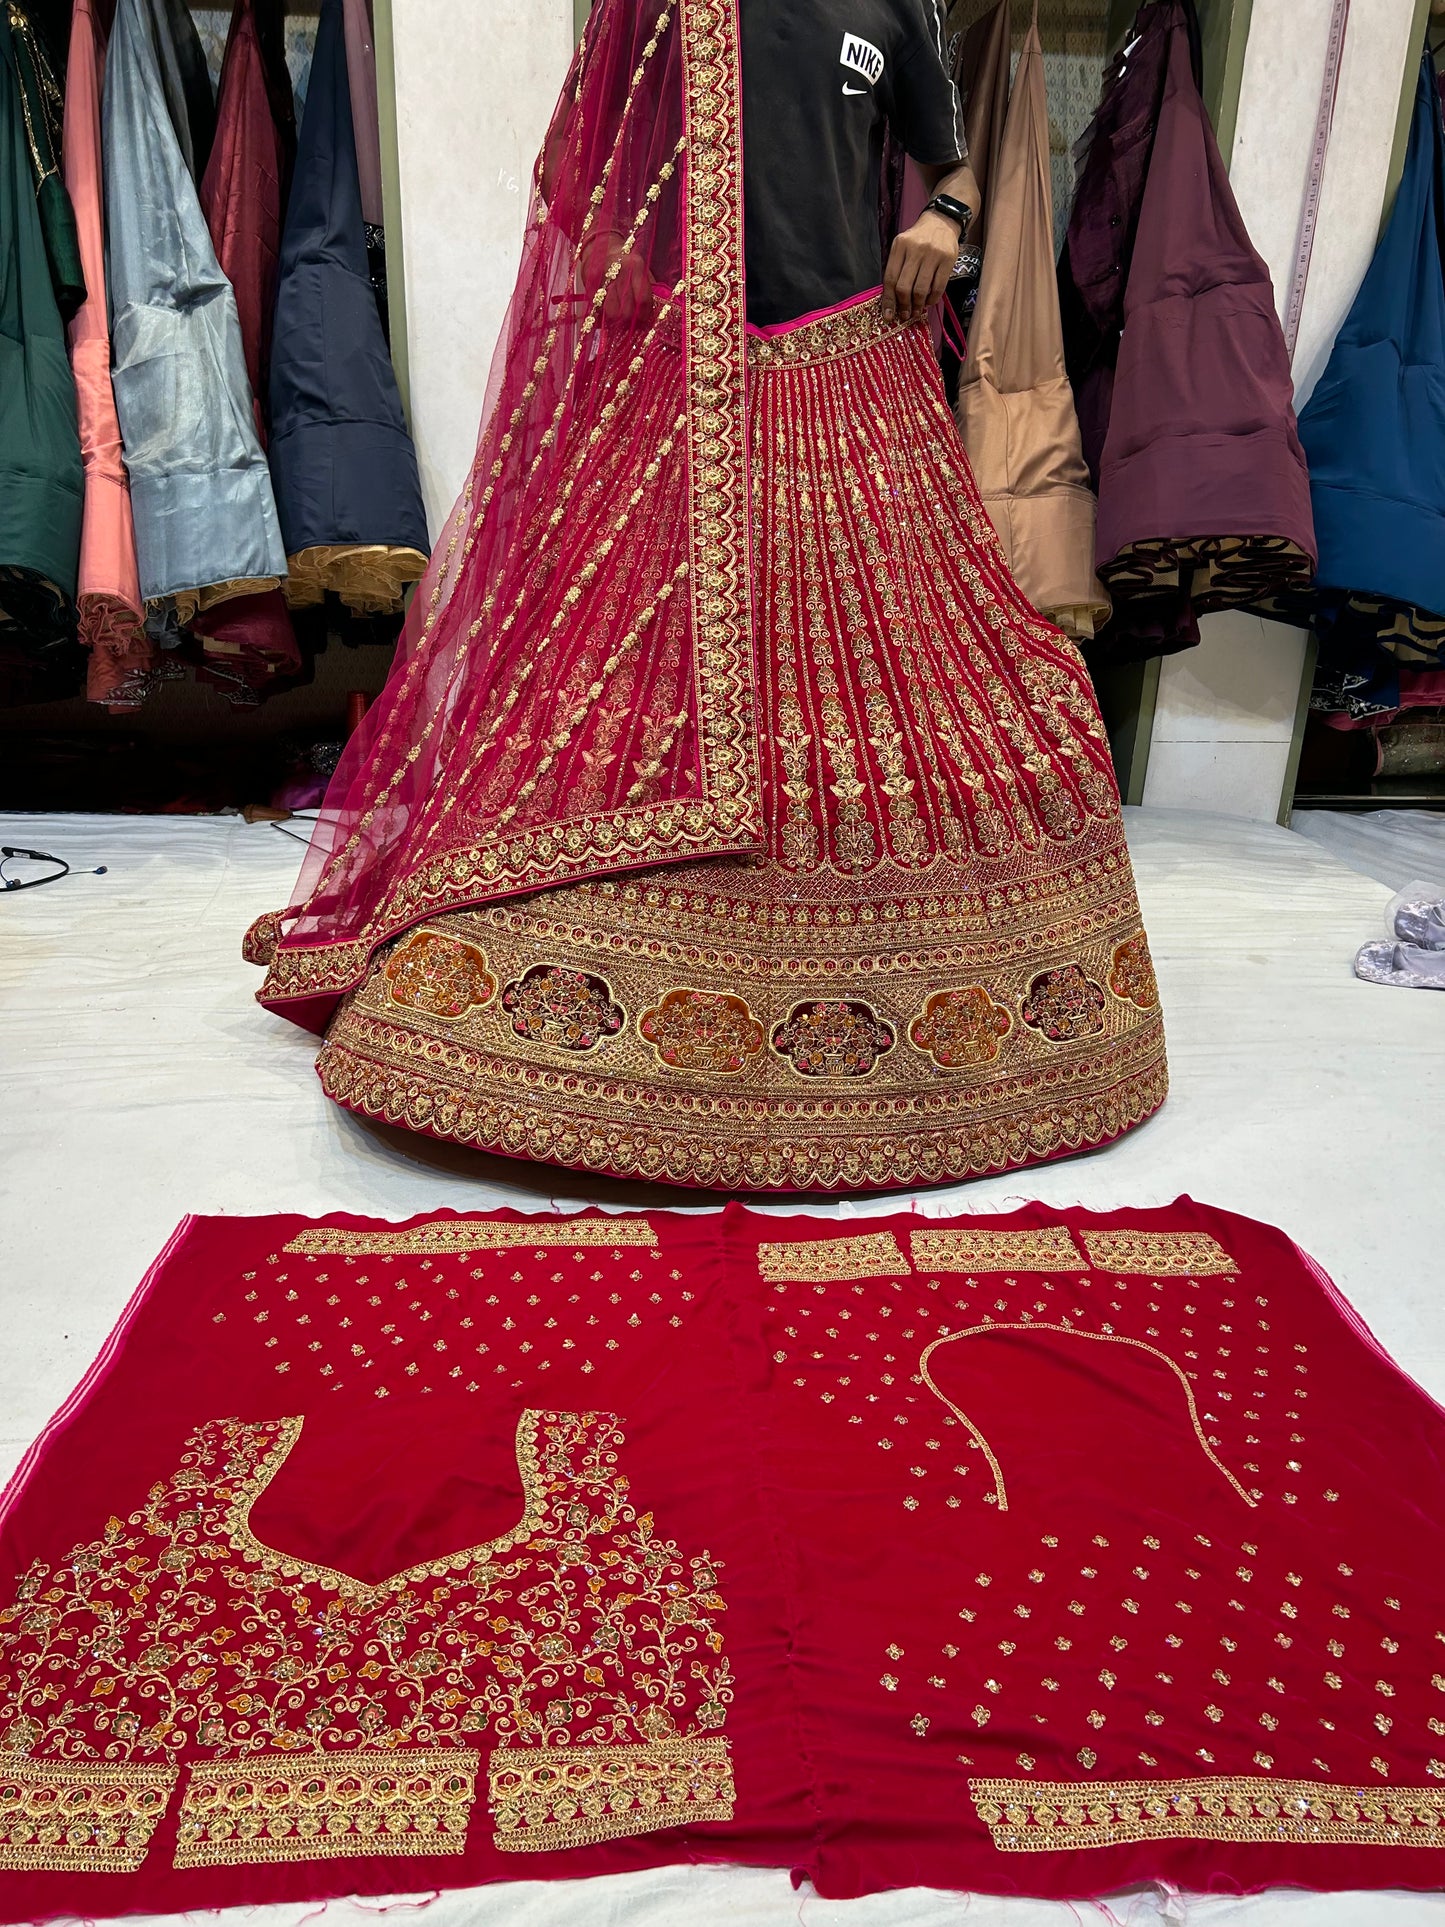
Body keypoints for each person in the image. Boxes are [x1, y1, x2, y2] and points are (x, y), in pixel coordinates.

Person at [246, 0, 1167, 1192]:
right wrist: (652, 309)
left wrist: (943, 217)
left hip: (856, 382)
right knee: (610, 697)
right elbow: (578, 175)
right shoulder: (661, 5)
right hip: (686, 392)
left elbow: (953, 166)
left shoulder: (888, 5)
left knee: (949, 683)